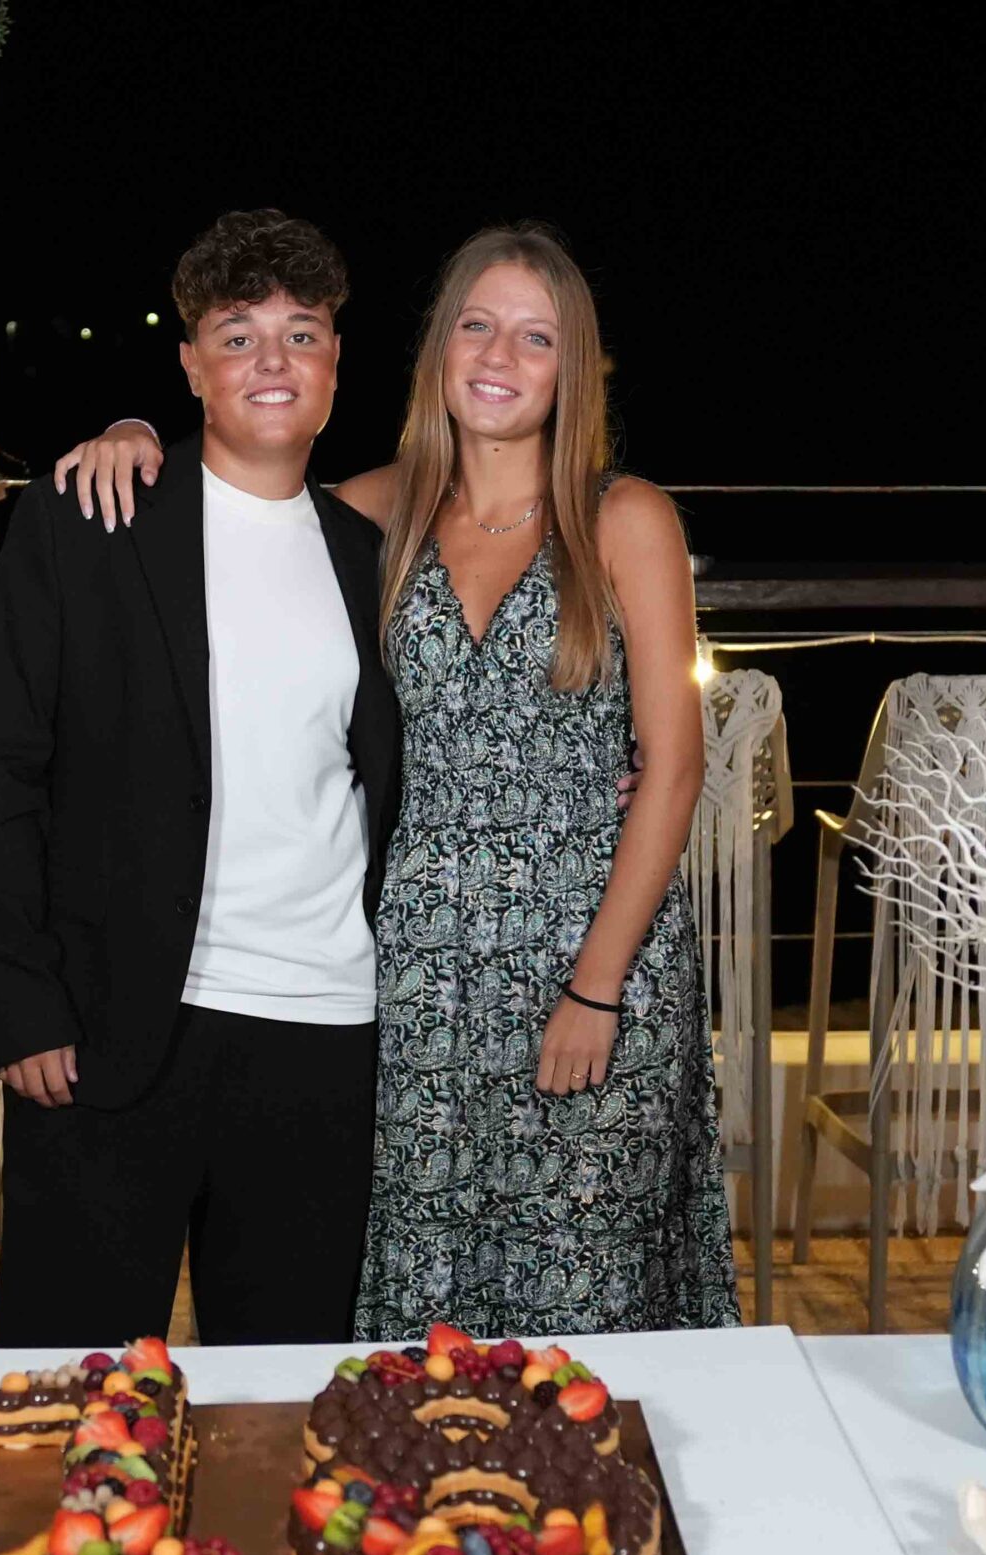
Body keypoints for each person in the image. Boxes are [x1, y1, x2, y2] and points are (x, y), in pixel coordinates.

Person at [52, 223, 740, 1338]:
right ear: (437, 349)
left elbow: (673, 767)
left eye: (535, 337)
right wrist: (136, 436)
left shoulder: (624, 518)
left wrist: (597, 987)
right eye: (477, 325)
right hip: (417, 984)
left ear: (573, 367)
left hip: (591, 966)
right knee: (426, 1299)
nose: (500, 356)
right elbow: (233, 505)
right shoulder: (372, 513)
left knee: (589, 1286)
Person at [0, 210, 396, 1349]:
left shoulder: (370, 557)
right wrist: (19, 1002)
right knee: (73, 1394)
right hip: (107, 1031)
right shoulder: (88, 518)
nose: (273, 361)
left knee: (287, 1400)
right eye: (239, 337)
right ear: (192, 365)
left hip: (319, 1031)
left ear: (336, 363)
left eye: (301, 335)